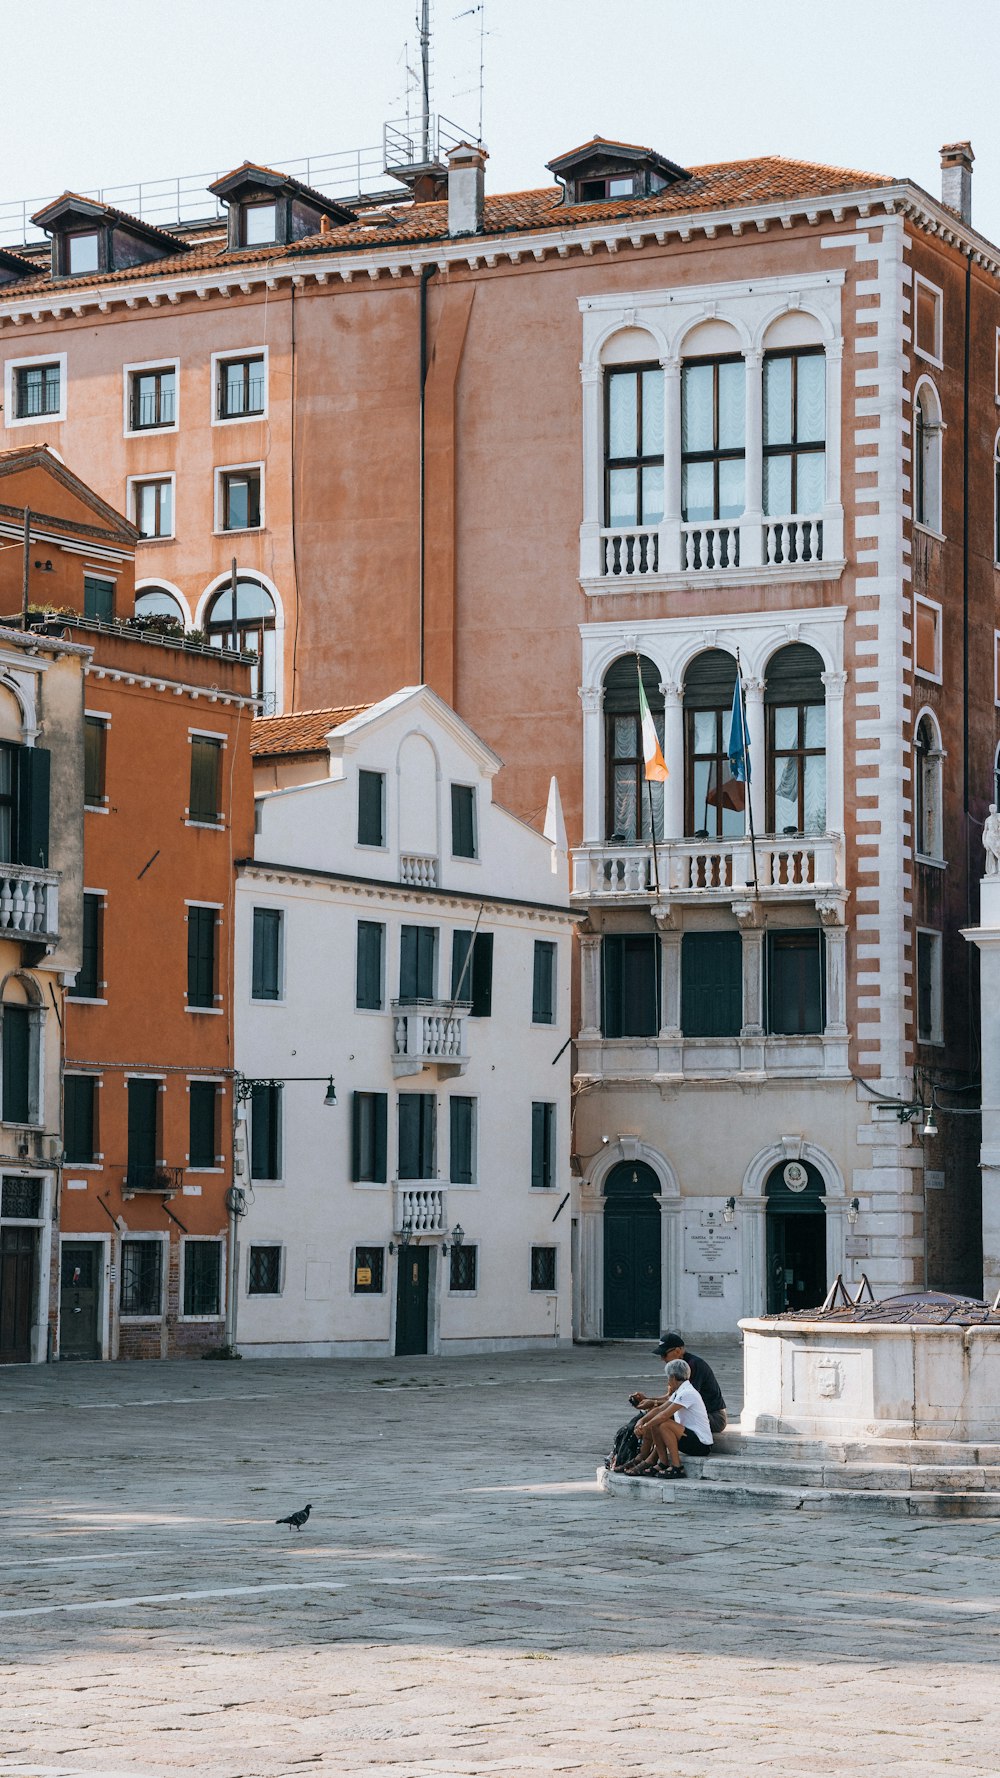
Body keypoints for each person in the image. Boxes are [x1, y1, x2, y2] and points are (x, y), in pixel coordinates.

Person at [632, 1330, 728, 1435]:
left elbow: (683, 1400)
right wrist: (648, 1399)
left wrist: (653, 1403)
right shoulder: (678, 1367)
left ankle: (654, 1451)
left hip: (714, 1417)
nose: (662, 1359)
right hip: (696, 1413)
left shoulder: (692, 1365)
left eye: (664, 1355)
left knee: (662, 1417)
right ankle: (649, 1450)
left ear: (678, 1351)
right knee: (654, 1412)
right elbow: (672, 1397)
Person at [630, 1359, 713, 1478]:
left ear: (673, 1377)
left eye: (668, 1378)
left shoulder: (688, 1392)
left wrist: (644, 1428)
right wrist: (641, 1421)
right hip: (687, 1437)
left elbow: (664, 1415)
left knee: (664, 1424)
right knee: (656, 1423)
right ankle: (663, 1463)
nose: (668, 1381)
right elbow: (659, 1409)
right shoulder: (679, 1391)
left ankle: (677, 1467)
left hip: (701, 1444)